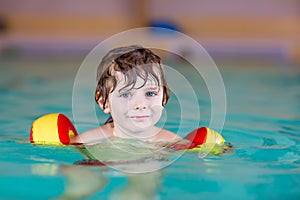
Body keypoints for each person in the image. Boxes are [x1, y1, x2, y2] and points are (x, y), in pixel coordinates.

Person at [71, 45, 181, 144]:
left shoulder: (173, 144)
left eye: (150, 93)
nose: (140, 105)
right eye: (126, 95)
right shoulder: (86, 143)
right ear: (103, 102)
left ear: (164, 99)